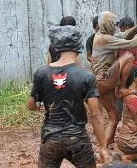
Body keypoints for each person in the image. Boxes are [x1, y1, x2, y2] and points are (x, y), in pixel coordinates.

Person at [27, 26, 111, 168]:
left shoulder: (41, 73)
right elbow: (95, 114)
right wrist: (103, 147)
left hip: (50, 138)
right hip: (77, 139)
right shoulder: (86, 76)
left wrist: (38, 106)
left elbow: (31, 105)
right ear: (78, 47)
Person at [92, 11, 137, 148]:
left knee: (114, 118)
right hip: (104, 79)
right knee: (128, 56)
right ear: (107, 25)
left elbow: (125, 35)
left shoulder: (101, 36)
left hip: (98, 85)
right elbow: (131, 42)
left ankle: (104, 148)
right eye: (113, 24)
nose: (115, 27)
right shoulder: (104, 39)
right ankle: (122, 88)